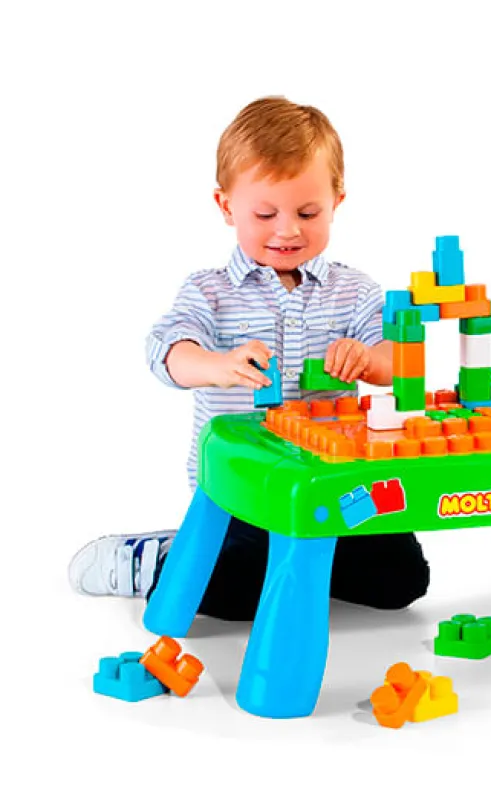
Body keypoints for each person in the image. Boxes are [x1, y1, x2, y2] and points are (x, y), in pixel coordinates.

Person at [68, 96, 430, 620]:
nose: (288, 230)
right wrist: (218, 366)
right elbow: (166, 351)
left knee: (401, 581)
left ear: (337, 202)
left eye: (308, 213)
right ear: (226, 206)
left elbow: (401, 361)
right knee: (230, 595)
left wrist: (368, 359)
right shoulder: (210, 291)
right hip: (244, 488)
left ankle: (295, 566)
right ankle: (159, 559)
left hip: (336, 482)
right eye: (265, 214)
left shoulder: (354, 292)